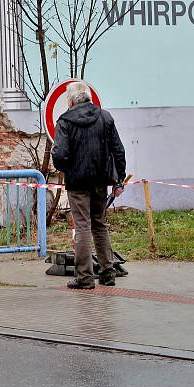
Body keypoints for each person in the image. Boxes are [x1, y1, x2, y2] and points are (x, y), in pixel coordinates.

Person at [51, 82, 127, 289]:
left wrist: (64, 165)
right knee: (99, 224)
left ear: (71, 100)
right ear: (88, 97)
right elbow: (118, 151)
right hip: (100, 180)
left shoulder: (65, 122)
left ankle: (84, 277)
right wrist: (119, 180)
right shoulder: (105, 117)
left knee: (83, 226)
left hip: (77, 182)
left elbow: (59, 155)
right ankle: (107, 273)